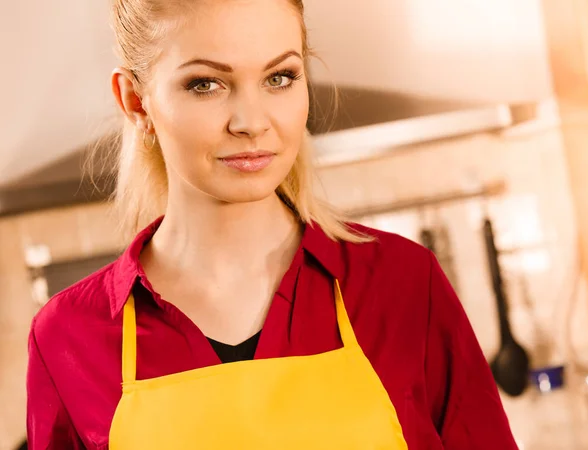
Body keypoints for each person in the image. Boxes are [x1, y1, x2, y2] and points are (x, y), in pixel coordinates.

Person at [26, 0, 519, 448]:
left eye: (279, 77)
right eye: (206, 84)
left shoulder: (405, 285)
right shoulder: (68, 338)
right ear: (136, 101)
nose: (252, 120)